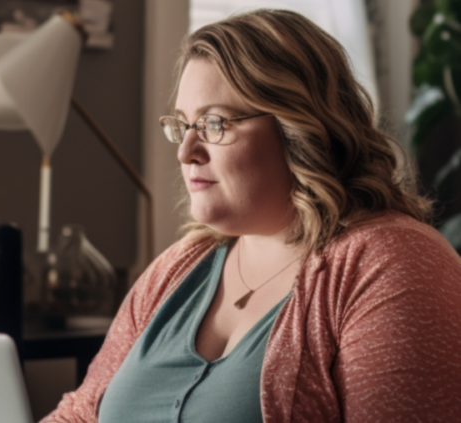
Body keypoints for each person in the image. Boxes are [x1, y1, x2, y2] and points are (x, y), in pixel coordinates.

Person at [40, 9, 461, 423]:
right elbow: (80, 413)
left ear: (299, 128)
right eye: (182, 125)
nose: (186, 152)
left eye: (214, 123)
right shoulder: (178, 268)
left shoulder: (393, 263)